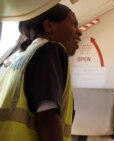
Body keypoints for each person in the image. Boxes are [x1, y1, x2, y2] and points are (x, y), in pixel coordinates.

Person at [0, 3, 82, 141]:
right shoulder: (50, 50)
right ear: (49, 26)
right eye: (73, 24)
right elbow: (47, 117)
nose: (79, 31)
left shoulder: (17, 61)